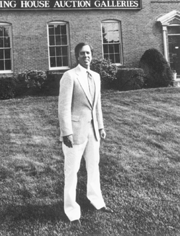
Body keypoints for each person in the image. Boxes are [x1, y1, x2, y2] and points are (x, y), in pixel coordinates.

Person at [58, 42, 113, 224]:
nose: (86, 56)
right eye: (82, 53)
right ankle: (71, 210)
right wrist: (66, 132)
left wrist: (101, 127)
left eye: (88, 53)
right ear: (77, 56)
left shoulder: (96, 76)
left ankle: (96, 201)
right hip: (75, 131)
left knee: (93, 167)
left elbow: (97, 104)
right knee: (72, 171)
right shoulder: (70, 76)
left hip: (92, 131)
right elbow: (63, 107)